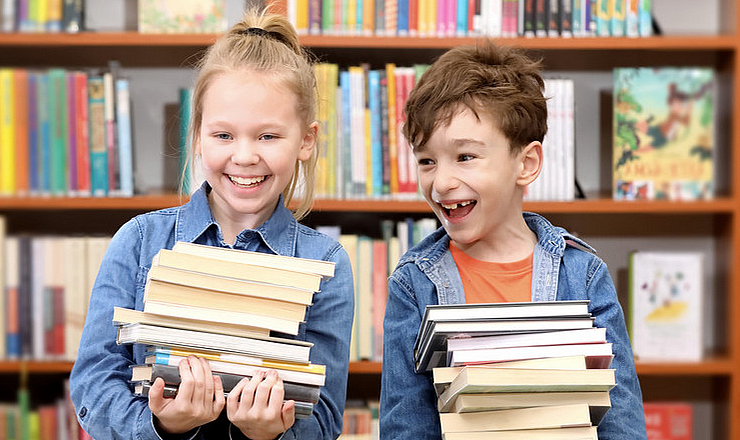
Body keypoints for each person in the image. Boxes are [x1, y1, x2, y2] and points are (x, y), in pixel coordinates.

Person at [70, 10, 354, 440]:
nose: (244, 156)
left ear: (306, 141)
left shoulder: (325, 263)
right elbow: (93, 385)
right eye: (224, 135)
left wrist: (268, 434)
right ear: (198, 135)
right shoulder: (140, 241)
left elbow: (326, 417)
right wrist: (164, 424)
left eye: (267, 136)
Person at [380, 42, 647, 439]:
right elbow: (406, 426)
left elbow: (620, 421)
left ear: (526, 164)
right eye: (426, 161)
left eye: (465, 157)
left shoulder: (582, 274)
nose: (441, 182)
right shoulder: (414, 283)